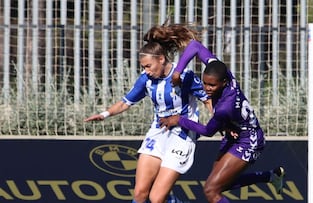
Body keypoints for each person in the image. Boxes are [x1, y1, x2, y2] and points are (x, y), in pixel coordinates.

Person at [84, 25, 211, 203]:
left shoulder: (184, 76)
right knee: (140, 193)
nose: (146, 71)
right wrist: (104, 114)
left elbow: (207, 100)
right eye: (143, 67)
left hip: (181, 137)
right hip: (157, 133)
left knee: (157, 198)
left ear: (161, 59)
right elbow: (124, 102)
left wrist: (222, 122)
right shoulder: (146, 79)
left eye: (148, 66)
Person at [160, 40, 285, 203]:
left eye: (212, 85)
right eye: (205, 83)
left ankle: (270, 176)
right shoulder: (223, 72)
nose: (207, 88)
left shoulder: (225, 107)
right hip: (234, 133)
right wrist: (178, 72)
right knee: (220, 185)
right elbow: (195, 46)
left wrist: (178, 120)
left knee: (211, 190)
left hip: (249, 140)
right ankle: (270, 176)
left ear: (223, 83)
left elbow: (208, 131)